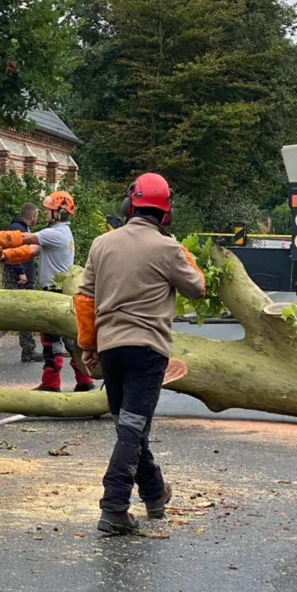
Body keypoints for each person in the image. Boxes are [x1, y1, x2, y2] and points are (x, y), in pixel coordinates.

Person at [73, 172, 206, 536]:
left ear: (129, 205)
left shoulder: (101, 243)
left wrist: (89, 346)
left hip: (112, 349)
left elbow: (84, 299)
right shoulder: (168, 248)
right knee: (132, 429)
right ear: (165, 213)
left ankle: (154, 492)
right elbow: (198, 287)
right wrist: (180, 249)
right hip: (148, 351)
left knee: (130, 426)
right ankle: (114, 506)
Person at [0, 191, 95, 393]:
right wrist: (2, 255)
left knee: (51, 340)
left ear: (59, 213)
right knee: (70, 341)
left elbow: (23, 238)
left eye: (48, 210)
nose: (44, 213)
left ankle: (51, 384)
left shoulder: (55, 234)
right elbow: (30, 250)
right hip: (61, 293)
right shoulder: (59, 233)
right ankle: (84, 381)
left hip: (54, 293)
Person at [0, 202, 41, 362]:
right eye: (37, 216)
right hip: (16, 279)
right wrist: (21, 272)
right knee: (16, 315)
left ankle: (28, 349)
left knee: (20, 315)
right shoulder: (16, 229)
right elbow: (11, 253)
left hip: (19, 280)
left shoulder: (24, 229)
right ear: (32, 216)